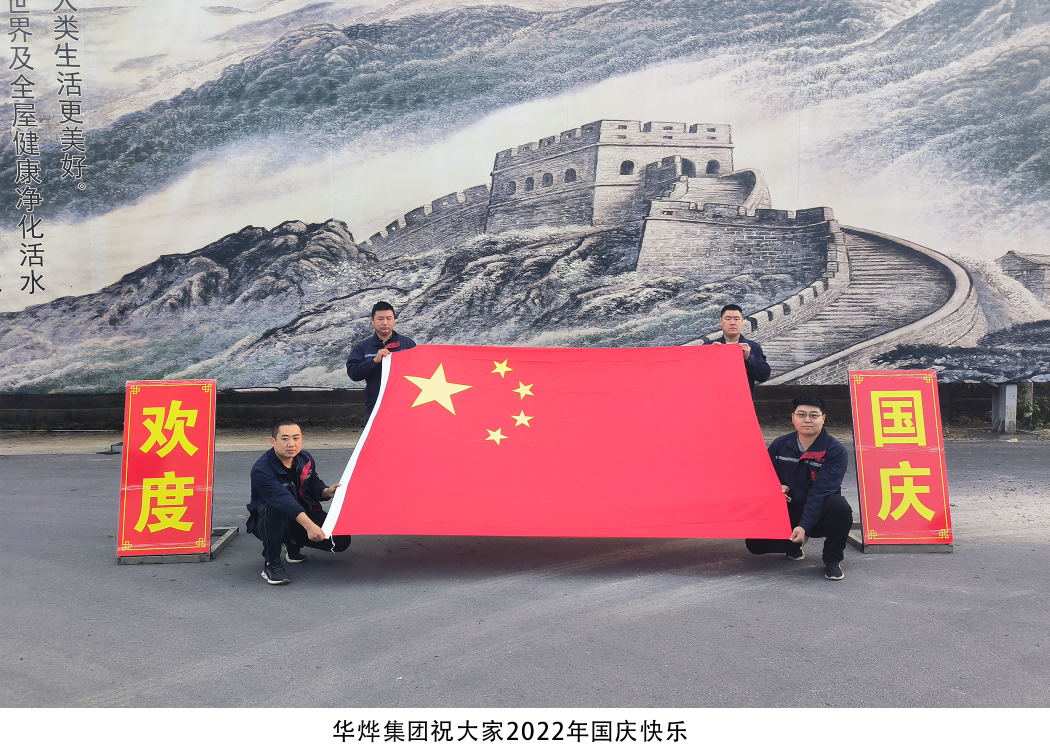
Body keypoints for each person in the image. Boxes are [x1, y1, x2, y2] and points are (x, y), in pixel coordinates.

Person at [746, 396, 853, 580]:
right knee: (755, 545)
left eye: (813, 415)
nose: (807, 420)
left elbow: (820, 492)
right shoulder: (780, 445)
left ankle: (832, 560)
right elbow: (762, 477)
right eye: (801, 415)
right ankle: (793, 544)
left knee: (840, 507)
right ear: (793, 418)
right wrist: (776, 488)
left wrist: (804, 526)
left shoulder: (835, 451)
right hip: (789, 508)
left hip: (820, 513)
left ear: (823, 418)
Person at [247, 419, 351, 585]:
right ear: (273, 441)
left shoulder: (305, 458)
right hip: (270, 521)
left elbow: (313, 482)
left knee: (341, 540)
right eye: (285, 439)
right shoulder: (261, 469)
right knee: (273, 508)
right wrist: (310, 527)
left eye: (296, 438)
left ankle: (292, 542)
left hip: (301, 515)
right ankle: (271, 564)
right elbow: (283, 500)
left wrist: (326, 492)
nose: (291, 444)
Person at [346, 301, 417, 421]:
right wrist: (374, 361)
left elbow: (419, 370)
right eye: (380, 319)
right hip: (375, 407)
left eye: (389, 318)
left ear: (394, 320)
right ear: (372, 321)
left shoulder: (408, 344)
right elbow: (353, 373)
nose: (385, 323)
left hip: (403, 406)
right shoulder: (364, 347)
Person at [705, 304, 770, 398]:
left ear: (742, 321)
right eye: (728, 319)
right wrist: (709, 356)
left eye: (736, 319)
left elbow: (764, 376)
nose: (732, 323)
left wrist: (749, 358)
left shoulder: (753, 347)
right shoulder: (708, 347)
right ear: (720, 321)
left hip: (743, 401)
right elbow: (697, 378)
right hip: (715, 400)